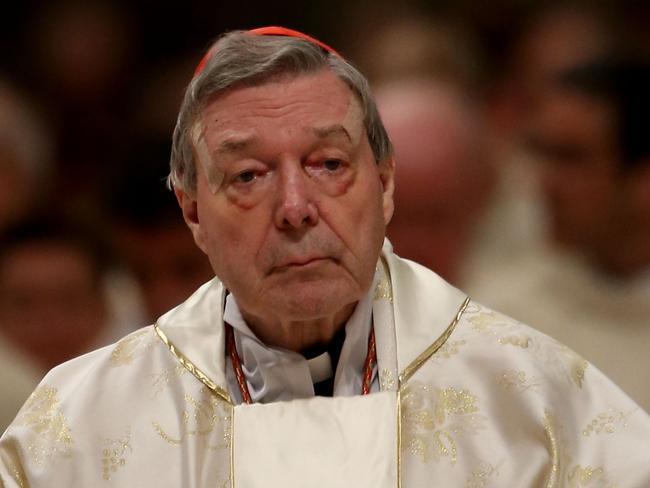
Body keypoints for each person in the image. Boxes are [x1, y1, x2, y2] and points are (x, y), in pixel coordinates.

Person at [1, 27, 648, 487]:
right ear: (193, 211)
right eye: (249, 175)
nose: (295, 206)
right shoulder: (79, 427)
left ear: (386, 185)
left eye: (329, 164)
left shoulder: (537, 404)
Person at [468, 54, 650, 411]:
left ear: (643, 178)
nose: (546, 183)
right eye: (543, 154)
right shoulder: (500, 317)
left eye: (572, 158)